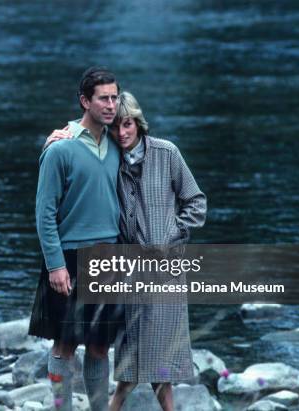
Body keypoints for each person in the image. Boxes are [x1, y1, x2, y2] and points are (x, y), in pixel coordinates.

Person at [44, 91, 207, 411]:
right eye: (116, 126)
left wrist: (170, 236)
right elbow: (71, 164)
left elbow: (196, 203)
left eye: (128, 124)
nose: (122, 132)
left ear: (138, 123)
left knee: (162, 352)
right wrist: (57, 138)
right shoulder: (106, 158)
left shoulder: (167, 153)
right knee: (128, 351)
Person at [29, 67, 122, 411]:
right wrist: (55, 265)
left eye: (115, 97)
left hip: (109, 256)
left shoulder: (116, 144)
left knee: (100, 346)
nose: (111, 105)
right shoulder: (59, 150)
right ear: (85, 101)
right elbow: (44, 213)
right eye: (103, 98)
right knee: (64, 345)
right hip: (68, 258)